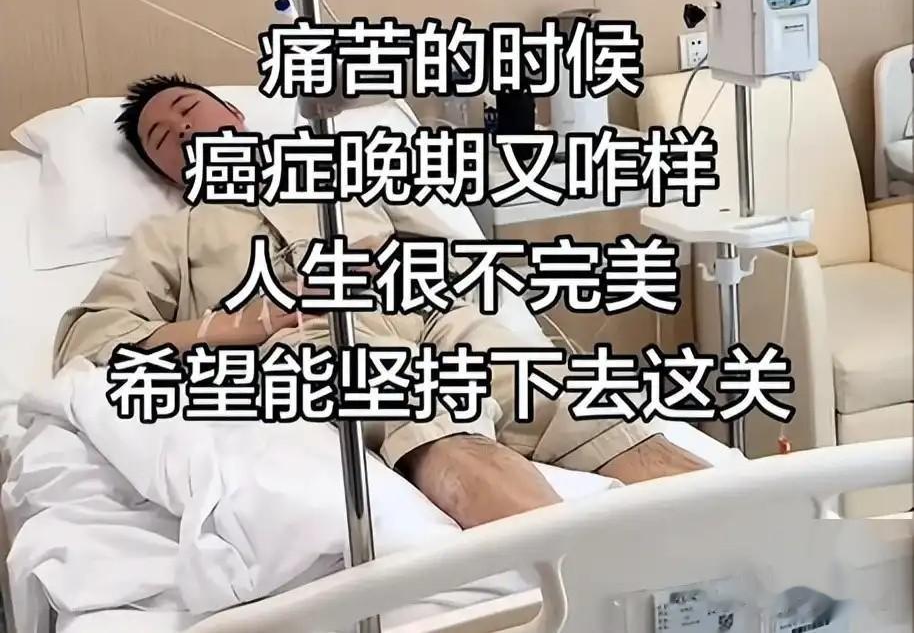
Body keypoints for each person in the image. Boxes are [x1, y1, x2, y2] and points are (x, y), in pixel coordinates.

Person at [54, 74, 708, 530]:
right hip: (317, 337)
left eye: (189, 110)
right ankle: (576, 575)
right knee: (425, 415)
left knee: (569, 399)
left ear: (234, 114)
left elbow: (452, 243)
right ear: (168, 173)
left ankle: (734, 539)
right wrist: (249, 322)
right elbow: (92, 339)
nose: (183, 129)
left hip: (426, 309)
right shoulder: (171, 236)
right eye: (164, 136)